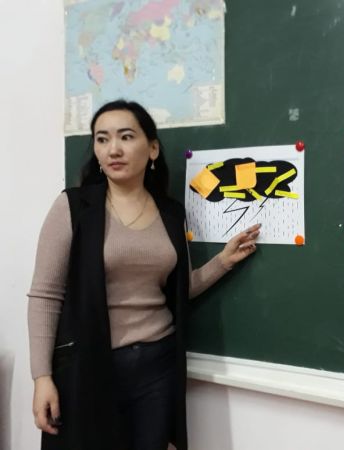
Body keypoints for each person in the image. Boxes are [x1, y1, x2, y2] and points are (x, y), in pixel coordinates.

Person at [27, 99, 260, 450]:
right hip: (90, 365)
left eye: (126, 136)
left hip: (157, 366)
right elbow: (45, 295)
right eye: (102, 139)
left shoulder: (171, 213)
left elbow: (178, 290)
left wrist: (223, 261)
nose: (113, 149)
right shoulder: (73, 207)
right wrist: (42, 376)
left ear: (152, 149)